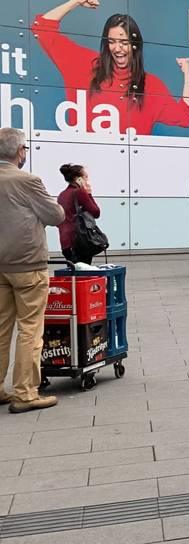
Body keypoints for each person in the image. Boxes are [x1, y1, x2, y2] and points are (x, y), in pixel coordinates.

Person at [33, 0, 189, 135]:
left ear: (135, 44)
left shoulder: (150, 84)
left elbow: (184, 117)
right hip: (82, 164)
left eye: (124, 42)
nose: (117, 48)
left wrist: (187, 75)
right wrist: (76, 1)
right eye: (112, 42)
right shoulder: (85, 64)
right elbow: (42, 28)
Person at [0, 128, 68, 412]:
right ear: (19, 152)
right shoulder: (28, 180)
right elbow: (56, 215)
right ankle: (25, 393)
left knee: (1, 329)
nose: (26, 153)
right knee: (30, 329)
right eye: (25, 149)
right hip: (27, 263)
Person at [56, 163, 101, 266]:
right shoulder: (79, 192)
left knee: (74, 276)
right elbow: (96, 212)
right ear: (78, 179)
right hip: (80, 242)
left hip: (66, 243)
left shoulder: (62, 195)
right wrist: (89, 193)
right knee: (82, 276)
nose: (87, 180)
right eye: (85, 177)